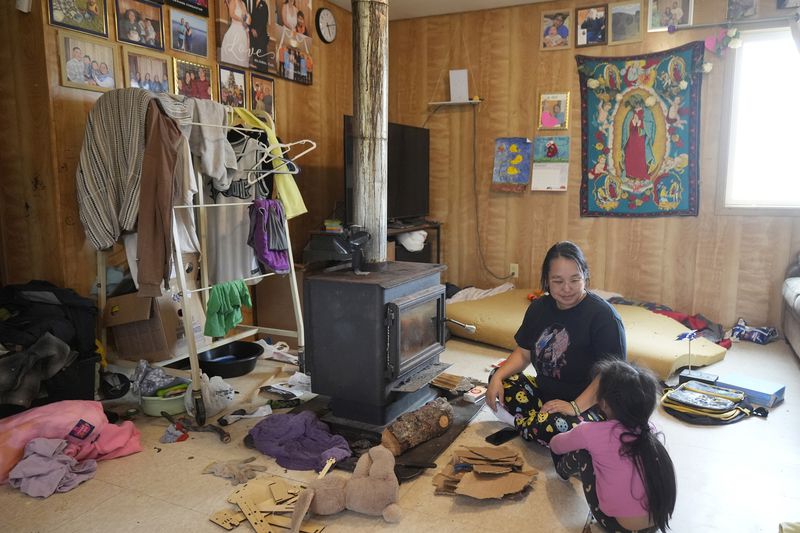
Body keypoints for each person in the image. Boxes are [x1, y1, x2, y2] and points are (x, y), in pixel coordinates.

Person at [486, 241, 626, 446]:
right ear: (546, 281)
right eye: (558, 281)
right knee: (500, 381)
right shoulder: (538, 308)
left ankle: (527, 425)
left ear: (585, 276)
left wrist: (574, 407)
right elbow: (524, 353)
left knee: (554, 427)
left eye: (575, 279)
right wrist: (498, 376)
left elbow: (611, 376)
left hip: (590, 405)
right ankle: (538, 426)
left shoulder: (603, 317)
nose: (567, 288)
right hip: (546, 396)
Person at [551, 360, 677, 533]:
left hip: (620, 527)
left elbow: (557, 445)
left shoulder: (590, 431)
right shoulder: (652, 432)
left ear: (603, 403)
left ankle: (561, 474)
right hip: (656, 523)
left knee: (582, 453)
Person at [621, 94, 656, 183]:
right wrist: (633, 122)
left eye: (637, 104)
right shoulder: (630, 113)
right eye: (634, 105)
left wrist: (640, 123)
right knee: (630, 155)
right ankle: (630, 175)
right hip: (631, 139)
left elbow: (651, 126)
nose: (636, 106)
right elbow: (625, 127)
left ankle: (640, 176)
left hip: (641, 140)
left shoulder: (647, 112)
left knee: (640, 157)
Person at [220, 0, 251, 68]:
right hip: (235, 28)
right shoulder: (233, 1)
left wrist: (247, 19)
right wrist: (241, 20)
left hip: (243, 30)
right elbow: (232, 14)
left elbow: (246, 14)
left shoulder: (243, 3)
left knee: (241, 51)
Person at [250, 0, 270, 65]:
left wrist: (257, 31)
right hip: (253, 36)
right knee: (255, 59)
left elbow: (264, 21)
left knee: (262, 59)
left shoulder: (264, 4)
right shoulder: (253, 4)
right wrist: (252, 29)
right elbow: (251, 19)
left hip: (261, 36)